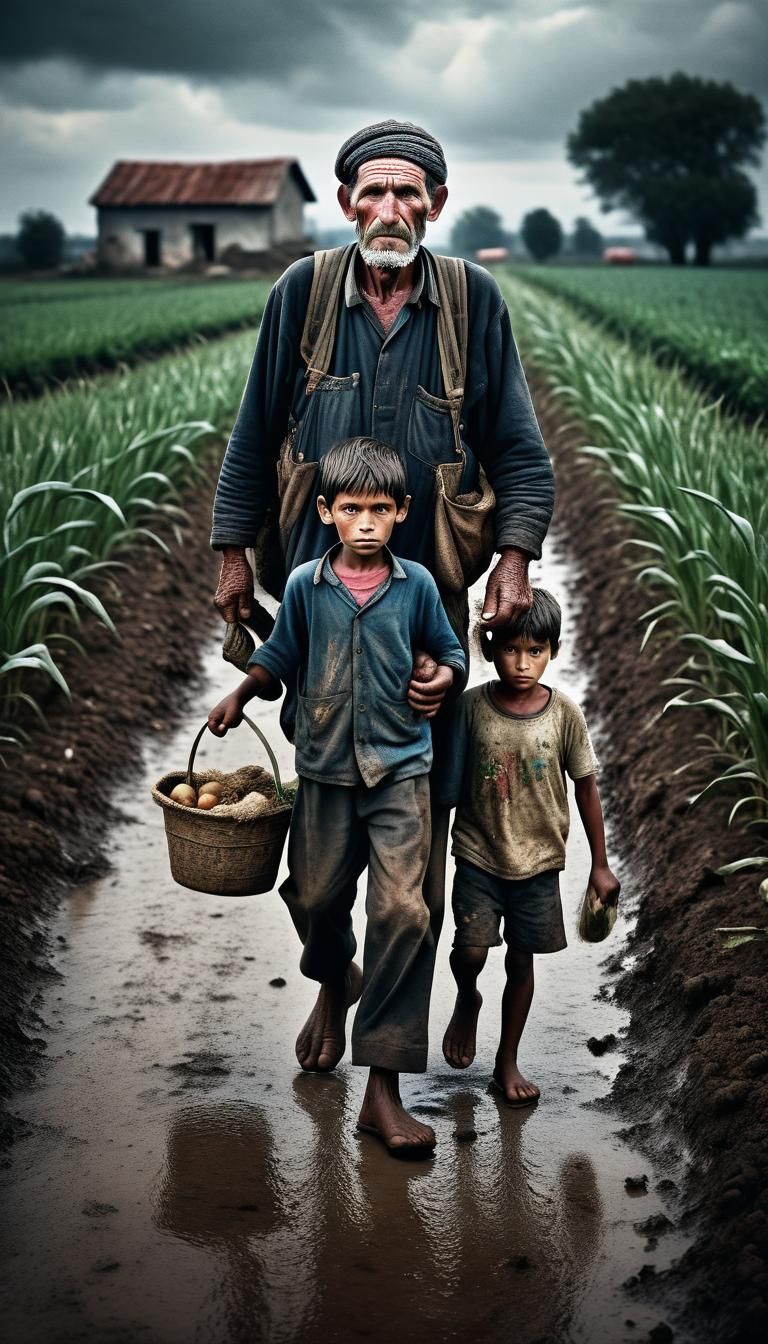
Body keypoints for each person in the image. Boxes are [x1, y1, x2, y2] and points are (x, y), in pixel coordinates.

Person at [210, 117, 554, 1080]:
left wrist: (514, 563)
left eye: (409, 192)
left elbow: (520, 452)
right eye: (374, 191)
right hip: (319, 611)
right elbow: (252, 435)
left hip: (423, 619)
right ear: (347, 202)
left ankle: (387, 1074)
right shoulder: (304, 292)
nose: (390, 208)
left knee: (413, 866)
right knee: (317, 876)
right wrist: (233, 557)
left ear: (435, 205)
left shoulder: (472, 302)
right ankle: (333, 976)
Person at [208, 439, 466, 1154]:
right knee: (315, 897)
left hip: (400, 772)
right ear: (325, 511)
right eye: (351, 508)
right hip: (324, 770)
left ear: (402, 511)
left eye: (380, 509)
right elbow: (279, 655)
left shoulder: (416, 586)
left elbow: (450, 651)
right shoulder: (305, 586)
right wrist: (240, 694)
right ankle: (335, 975)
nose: (366, 523)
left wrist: (444, 677)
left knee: (403, 912)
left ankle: (382, 1087)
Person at [440, 589, 620, 1106]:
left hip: (538, 863)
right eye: (511, 650)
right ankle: (467, 996)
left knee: (521, 963)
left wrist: (600, 865)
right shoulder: (471, 708)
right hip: (479, 854)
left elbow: (586, 788)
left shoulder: (563, 714)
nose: (523, 663)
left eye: (535, 651)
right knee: (470, 951)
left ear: (553, 651)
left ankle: (507, 1060)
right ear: (489, 649)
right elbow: (446, 783)